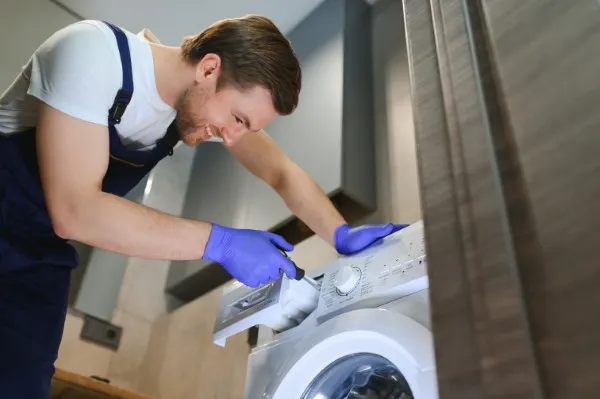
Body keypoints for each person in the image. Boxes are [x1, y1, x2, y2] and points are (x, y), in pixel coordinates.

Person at [0, 15, 407, 397]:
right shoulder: (92, 53)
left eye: (246, 128)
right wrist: (222, 244)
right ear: (209, 68)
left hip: (40, 256)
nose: (231, 139)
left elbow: (280, 171)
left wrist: (339, 232)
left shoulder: (195, 105)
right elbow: (75, 210)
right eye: (237, 118)